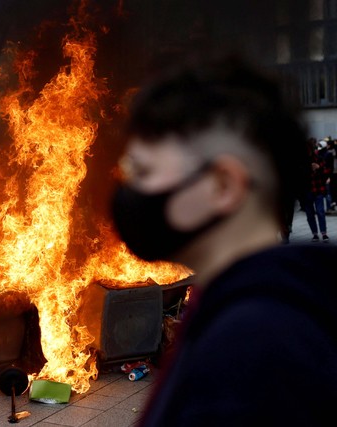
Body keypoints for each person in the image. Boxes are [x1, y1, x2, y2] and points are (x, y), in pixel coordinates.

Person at [111, 56, 337, 426]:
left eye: (144, 171)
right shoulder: (252, 308)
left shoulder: (252, 349)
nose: (129, 190)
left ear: (223, 184)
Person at [303, 138, 331, 242]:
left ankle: (324, 233)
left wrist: (318, 168)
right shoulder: (302, 161)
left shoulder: (319, 158)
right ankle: (315, 234)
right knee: (310, 214)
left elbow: (326, 173)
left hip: (318, 189)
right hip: (307, 190)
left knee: (320, 212)